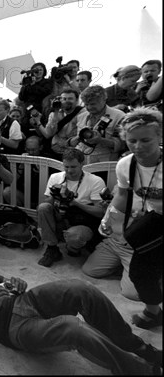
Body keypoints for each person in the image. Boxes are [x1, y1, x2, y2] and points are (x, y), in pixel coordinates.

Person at [0, 249, 162, 375]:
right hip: (14, 329)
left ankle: (137, 345)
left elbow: (7, 282)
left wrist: (17, 282)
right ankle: (138, 370)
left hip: (25, 301)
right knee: (73, 327)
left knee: (81, 288)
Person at [99, 108, 162, 330]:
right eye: (132, 140)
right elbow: (123, 194)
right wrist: (108, 217)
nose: (138, 147)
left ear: (160, 136)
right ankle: (154, 312)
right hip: (151, 222)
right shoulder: (125, 165)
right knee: (140, 271)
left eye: (146, 140)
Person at [37, 148, 106, 267]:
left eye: (73, 167)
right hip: (61, 219)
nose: (69, 171)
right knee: (43, 207)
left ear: (82, 164)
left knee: (74, 237)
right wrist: (55, 195)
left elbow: (100, 212)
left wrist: (74, 202)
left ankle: (73, 247)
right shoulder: (55, 177)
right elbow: (46, 204)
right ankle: (52, 248)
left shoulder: (95, 181)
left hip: (83, 222)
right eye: (66, 167)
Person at [82, 184, 140, 301]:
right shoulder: (122, 184)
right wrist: (108, 207)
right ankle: (124, 268)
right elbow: (112, 210)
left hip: (137, 248)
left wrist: (130, 213)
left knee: (132, 294)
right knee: (90, 270)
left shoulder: (154, 191)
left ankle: (149, 272)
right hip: (115, 241)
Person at [68, 85, 126, 164]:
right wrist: (79, 138)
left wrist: (101, 140)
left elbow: (122, 145)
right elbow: (70, 140)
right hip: (81, 162)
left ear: (104, 99)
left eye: (92, 104)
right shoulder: (81, 116)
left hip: (104, 164)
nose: (89, 107)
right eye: (86, 104)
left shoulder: (119, 116)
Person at [32, 88, 83, 160]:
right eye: (64, 99)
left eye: (70, 98)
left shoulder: (82, 113)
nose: (66, 101)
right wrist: (56, 112)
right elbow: (48, 134)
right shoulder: (54, 114)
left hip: (75, 152)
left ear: (77, 100)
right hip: (57, 151)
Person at [2, 136, 43, 208]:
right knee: (7, 192)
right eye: (28, 149)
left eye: (33, 150)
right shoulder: (21, 157)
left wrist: (41, 172)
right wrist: (21, 165)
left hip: (42, 198)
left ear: (40, 147)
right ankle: (21, 215)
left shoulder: (48, 160)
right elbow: (13, 180)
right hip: (24, 195)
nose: (30, 152)